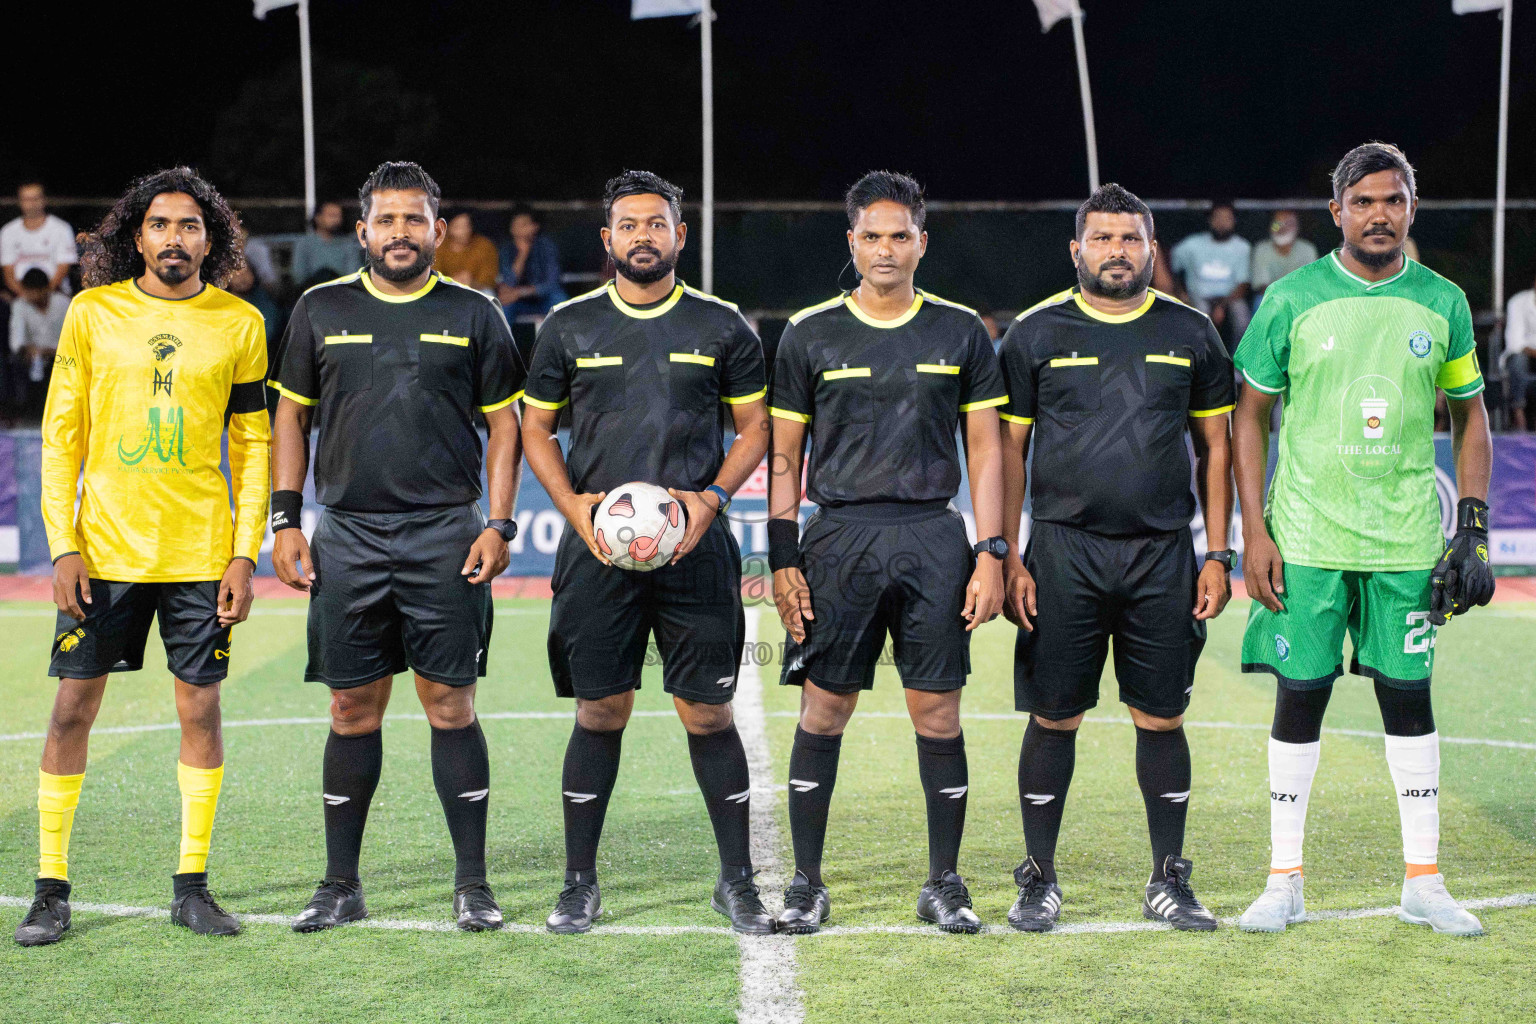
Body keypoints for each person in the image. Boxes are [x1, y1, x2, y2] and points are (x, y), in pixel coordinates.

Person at [1233, 142, 1494, 937]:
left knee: (1408, 700)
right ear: (1337, 211)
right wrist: (1255, 532)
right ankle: (1284, 880)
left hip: (1407, 540)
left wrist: (1473, 524)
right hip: (1308, 536)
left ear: (1411, 209)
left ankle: (1423, 879)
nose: (1379, 214)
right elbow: (1248, 416)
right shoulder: (1291, 298)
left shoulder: (1443, 301)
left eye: (1393, 200)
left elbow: (1471, 414)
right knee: (1299, 699)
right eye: (1364, 201)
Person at [13, 168, 270, 947]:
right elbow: (62, 437)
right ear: (136, 235)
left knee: (200, 707)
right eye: (160, 224)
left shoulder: (241, 324)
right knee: (71, 710)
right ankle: (51, 887)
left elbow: (253, 447)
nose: (174, 237)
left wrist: (243, 555)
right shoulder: (93, 314)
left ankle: (191, 885)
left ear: (210, 238)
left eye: (190, 226)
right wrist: (64, 544)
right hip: (105, 552)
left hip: (198, 553)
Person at [269, 161, 526, 934]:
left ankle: (472, 885)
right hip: (347, 533)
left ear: (437, 230)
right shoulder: (319, 309)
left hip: (446, 532)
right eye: (388, 220)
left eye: (416, 220)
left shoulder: (477, 314)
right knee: (351, 707)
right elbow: (291, 422)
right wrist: (286, 520)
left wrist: (500, 523)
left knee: (450, 704)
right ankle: (340, 884)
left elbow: (506, 428)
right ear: (363, 232)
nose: (402, 233)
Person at [521, 170, 772, 935]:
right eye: (628, 225)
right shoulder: (566, 326)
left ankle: (736, 883)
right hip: (598, 550)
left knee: (707, 711)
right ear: (607, 240)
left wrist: (712, 499)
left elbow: (755, 428)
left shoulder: (723, 325)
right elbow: (535, 428)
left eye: (656, 224)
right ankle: (578, 884)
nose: (642, 236)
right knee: (600, 710)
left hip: (694, 548)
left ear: (679, 236)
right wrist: (572, 508)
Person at [768, 171, 1007, 935]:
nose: (885, 248)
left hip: (935, 536)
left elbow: (986, 449)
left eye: (900, 235)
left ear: (922, 243)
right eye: (871, 235)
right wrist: (781, 555)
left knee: (937, 714)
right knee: (825, 709)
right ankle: (806, 883)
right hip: (837, 537)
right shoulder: (809, 333)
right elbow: (783, 457)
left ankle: (944, 882)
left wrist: (993, 549)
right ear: (851, 242)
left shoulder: (962, 330)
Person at [997, 183, 1234, 933]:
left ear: (1152, 250)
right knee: (1053, 717)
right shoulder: (1033, 333)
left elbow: (1218, 447)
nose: (1116, 252)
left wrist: (1217, 553)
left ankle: (1168, 879)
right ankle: (1039, 878)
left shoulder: (1192, 332)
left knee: (1161, 717)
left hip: (1163, 554)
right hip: (1062, 551)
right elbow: (1007, 447)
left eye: (1130, 239)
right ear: (1076, 250)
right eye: (1101, 239)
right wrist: (1006, 555)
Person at [1171, 201, 1251, 346]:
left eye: (1227, 218)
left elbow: (1243, 284)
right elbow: (1171, 266)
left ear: (1234, 221)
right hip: (1199, 297)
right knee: (1200, 316)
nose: (1222, 223)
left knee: (1242, 316)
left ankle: (1238, 363)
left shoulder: (1242, 247)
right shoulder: (1191, 245)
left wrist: (1221, 305)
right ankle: (1201, 362)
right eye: (1218, 217)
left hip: (1229, 298)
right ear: (1210, 220)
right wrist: (1180, 292)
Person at [8, 268, 70, 417]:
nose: (32, 295)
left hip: (61, 356)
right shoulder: (20, 305)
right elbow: (17, 341)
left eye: (35, 291)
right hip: (32, 357)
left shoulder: (63, 303)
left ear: (45, 289)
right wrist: (31, 350)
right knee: (16, 361)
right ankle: (21, 411)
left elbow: (72, 337)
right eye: (28, 291)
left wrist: (50, 352)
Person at [2, 182, 77, 296]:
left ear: (44, 199)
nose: (32, 203)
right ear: (20, 201)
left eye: (35, 198)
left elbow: (64, 267)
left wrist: (43, 294)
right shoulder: (8, 231)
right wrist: (27, 296)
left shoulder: (62, 228)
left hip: (56, 294)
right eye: (27, 199)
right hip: (20, 297)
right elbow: (8, 273)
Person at [498, 205, 568, 319]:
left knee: (559, 299)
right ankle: (503, 338)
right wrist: (522, 254)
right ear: (511, 229)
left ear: (535, 227)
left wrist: (521, 292)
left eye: (525, 225)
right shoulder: (506, 250)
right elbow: (508, 283)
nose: (522, 229)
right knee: (502, 307)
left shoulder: (546, 246)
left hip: (543, 299)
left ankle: (568, 337)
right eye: (518, 225)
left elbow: (552, 283)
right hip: (518, 302)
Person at [289, 200, 362, 289]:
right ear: (318, 218)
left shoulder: (348, 244)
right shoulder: (304, 244)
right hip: (311, 292)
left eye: (339, 216)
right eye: (332, 216)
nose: (336, 220)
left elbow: (353, 277)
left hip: (341, 292)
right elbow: (299, 277)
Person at [1250, 209, 1318, 299]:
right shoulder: (1262, 249)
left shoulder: (1308, 249)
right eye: (1277, 224)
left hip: (1300, 298)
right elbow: (1262, 287)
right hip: (1271, 298)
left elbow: (1310, 284)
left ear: (1297, 228)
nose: (1282, 228)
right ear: (1271, 227)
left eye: (1288, 224)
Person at [436, 210, 499, 294]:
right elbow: (432, 276)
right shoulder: (438, 245)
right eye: (458, 227)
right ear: (447, 228)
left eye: (467, 226)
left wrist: (471, 283)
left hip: (476, 290)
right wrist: (452, 281)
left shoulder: (484, 245)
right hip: (446, 290)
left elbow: (489, 280)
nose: (464, 231)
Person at [1502, 271, 1535, 429]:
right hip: (1521, 357)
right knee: (1518, 360)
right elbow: (1515, 343)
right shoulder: (1518, 302)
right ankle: (1518, 412)